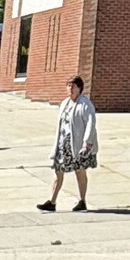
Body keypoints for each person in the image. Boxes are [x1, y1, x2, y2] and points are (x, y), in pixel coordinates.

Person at [38, 76, 98, 212]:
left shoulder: (85, 104)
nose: (70, 89)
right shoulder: (64, 103)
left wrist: (87, 142)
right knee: (58, 172)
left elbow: (90, 123)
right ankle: (52, 202)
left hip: (78, 145)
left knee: (80, 171)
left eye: (74, 86)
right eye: (68, 86)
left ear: (79, 88)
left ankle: (82, 201)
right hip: (62, 144)